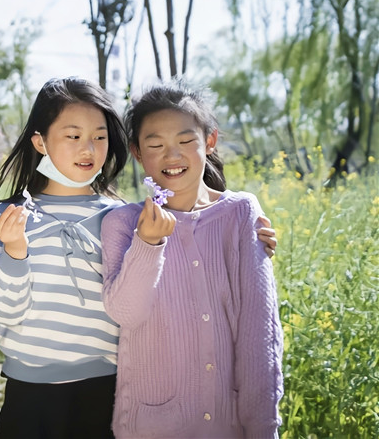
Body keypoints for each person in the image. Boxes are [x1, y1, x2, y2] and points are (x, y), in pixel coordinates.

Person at [100, 85, 283, 438]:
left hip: (229, 427)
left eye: (186, 141)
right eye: (155, 145)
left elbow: (259, 336)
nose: (172, 156)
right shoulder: (122, 224)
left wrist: (264, 428)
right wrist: (148, 243)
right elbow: (126, 313)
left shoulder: (241, 215)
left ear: (209, 141)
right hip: (149, 427)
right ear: (138, 152)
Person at [0, 77, 129, 439]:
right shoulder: (8, 218)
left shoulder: (123, 217)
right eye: (73, 136)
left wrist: (243, 230)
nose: (88, 148)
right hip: (30, 397)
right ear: (40, 142)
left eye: (99, 136)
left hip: (104, 392)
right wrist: (14, 252)